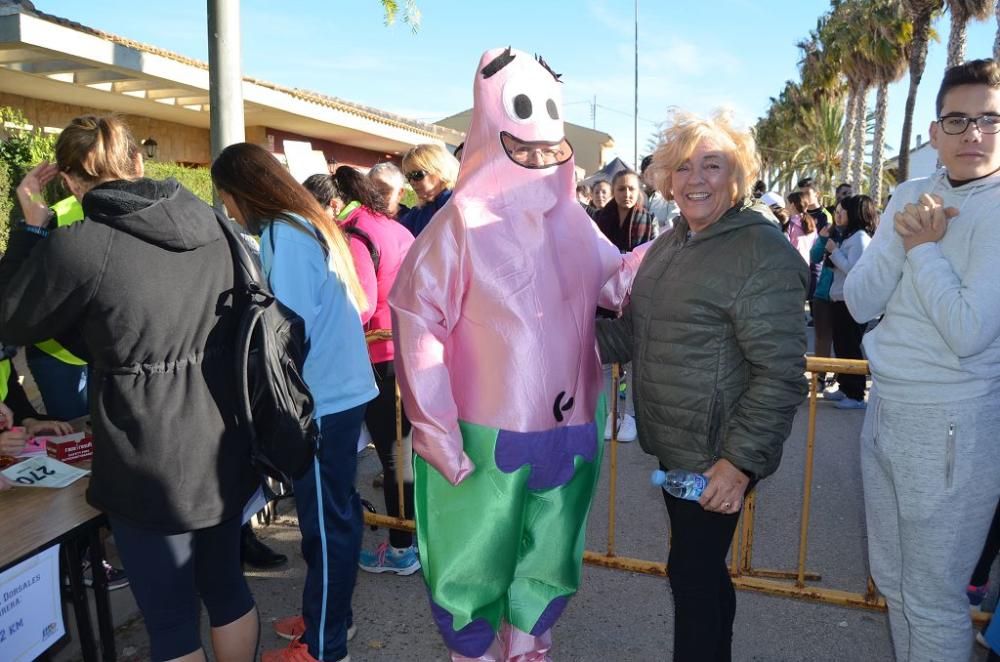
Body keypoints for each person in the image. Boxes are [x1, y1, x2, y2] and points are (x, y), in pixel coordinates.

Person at [390, 46, 645, 661]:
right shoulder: (459, 225)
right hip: (485, 435)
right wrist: (436, 430)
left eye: (544, 145)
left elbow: (616, 281)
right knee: (473, 556)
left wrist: (676, 250)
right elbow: (416, 318)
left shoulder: (574, 221)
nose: (537, 155)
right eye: (523, 142)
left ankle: (530, 643)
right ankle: (477, 650)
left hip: (568, 430)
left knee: (548, 555)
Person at [0, 115, 259, 661]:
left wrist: (28, 227)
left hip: (147, 452)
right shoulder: (212, 221)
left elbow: (10, 319)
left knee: (169, 622)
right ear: (139, 162)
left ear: (70, 182)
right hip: (224, 436)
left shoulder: (81, 247)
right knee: (226, 588)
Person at [596, 110, 808, 662]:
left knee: (690, 577)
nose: (696, 179)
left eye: (712, 165)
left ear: (737, 175)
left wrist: (738, 464)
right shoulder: (672, 243)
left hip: (717, 454)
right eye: (684, 166)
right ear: (666, 176)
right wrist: (551, 338)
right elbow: (637, 335)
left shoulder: (761, 251)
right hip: (679, 448)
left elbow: (780, 372)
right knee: (702, 575)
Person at [844, 58, 1000, 662]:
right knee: (897, 586)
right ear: (934, 132)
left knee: (933, 600)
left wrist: (923, 249)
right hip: (887, 405)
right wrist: (898, 243)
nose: (973, 134)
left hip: (954, 418)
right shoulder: (911, 192)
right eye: (957, 120)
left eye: (990, 119)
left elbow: (968, 332)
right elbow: (858, 302)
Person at [212, 143, 378, 662]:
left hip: (324, 399)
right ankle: (328, 619)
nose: (227, 211)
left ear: (244, 192)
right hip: (337, 393)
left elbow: (287, 329)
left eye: (226, 199)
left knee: (326, 527)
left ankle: (326, 647)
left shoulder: (285, 231)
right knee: (333, 519)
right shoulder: (302, 224)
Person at [305, 166, 419, 576]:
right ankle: (417, 538)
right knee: (407, 454)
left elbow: (363, 304)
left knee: (395, 457)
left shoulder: (355, 233)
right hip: (410, 350)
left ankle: (403, 547)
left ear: (333, 204)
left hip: (381, 355)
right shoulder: (390, 225)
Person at [823, 194, 873, 409]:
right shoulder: (849, 236)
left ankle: (856, 394)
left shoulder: (860, 238)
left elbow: (855, 270)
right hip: (840, 299)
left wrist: (834, 252)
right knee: (842, 345)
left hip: (849, 301)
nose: (838, 215)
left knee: (850, 346)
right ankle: (845, 387)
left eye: (843, 211)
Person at [398, 144, 459, 237]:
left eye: (417, 175)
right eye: (408, 177)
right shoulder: (420, 211)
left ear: (439, 170)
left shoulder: (457, 205)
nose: (412, 182)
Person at [641, 154, 678, 233]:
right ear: (643, 176)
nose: (655, 176)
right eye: (651, 172)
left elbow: (672, 226)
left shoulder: (670, 198)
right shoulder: (635, 197)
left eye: (658, 171)